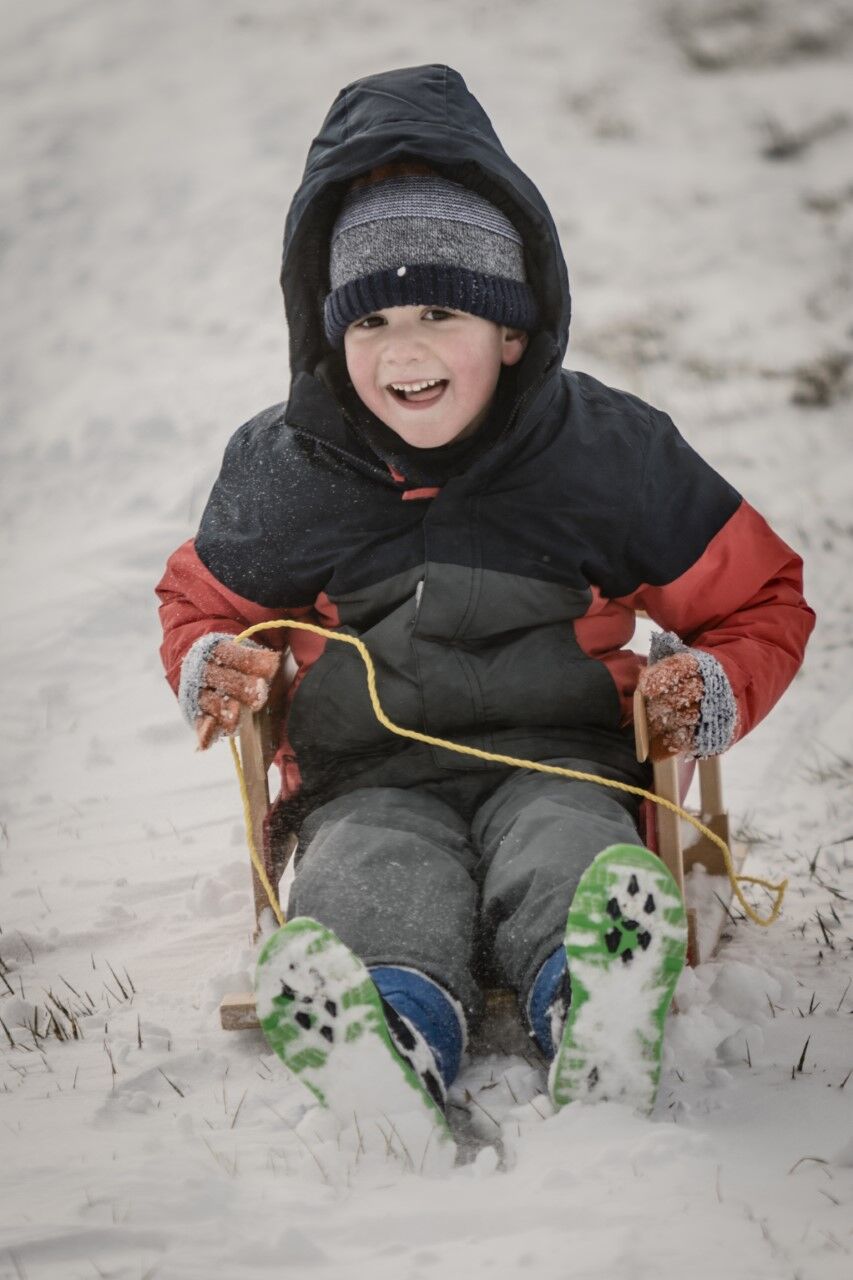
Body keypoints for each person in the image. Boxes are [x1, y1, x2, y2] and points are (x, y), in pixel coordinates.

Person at [156, 65, 814, 1128]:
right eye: (369, 323)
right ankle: (388, 1028)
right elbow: (202, 604)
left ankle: (592, 996)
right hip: (364, 776)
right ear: (330, 335)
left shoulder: (605, 456)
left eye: (438, 310)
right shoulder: (290, 470)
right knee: (369, 871)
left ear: (512, 328)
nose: (402, 349)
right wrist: (212, 663)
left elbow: (760, 598)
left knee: (567, 846)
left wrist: (714, 678)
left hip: (564, 758)